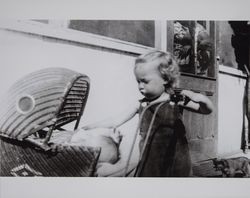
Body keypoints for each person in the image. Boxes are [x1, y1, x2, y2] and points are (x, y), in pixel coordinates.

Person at [83, 50, 214, 177]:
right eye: (138, 81)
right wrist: (92, 126)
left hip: (176, 154)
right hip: (150, 157)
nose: (140, 86)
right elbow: (115, 120)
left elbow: (206, 110)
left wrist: (201, 99)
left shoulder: (175, 100)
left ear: (165, 79)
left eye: (145, 81)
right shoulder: (140, 104)